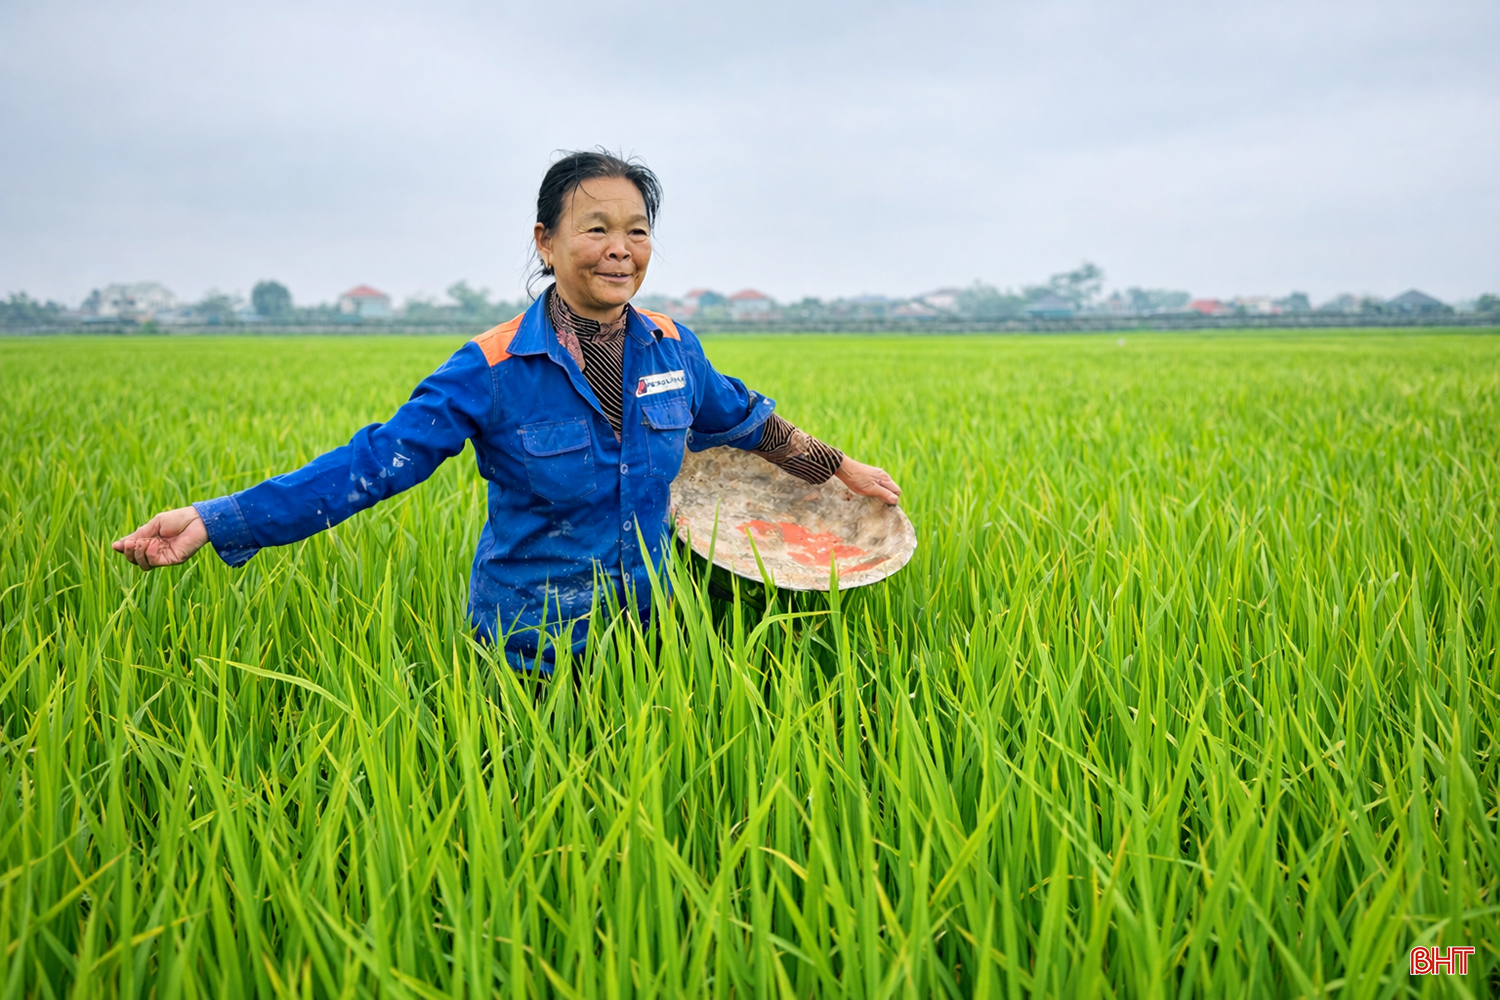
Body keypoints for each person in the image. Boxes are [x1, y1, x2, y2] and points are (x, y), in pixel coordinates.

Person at [114, 150, 901, 671]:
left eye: (637, 230)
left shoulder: (671, 348)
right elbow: (374, 464)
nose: (619, 247)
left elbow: (744, 420)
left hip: (647, 645)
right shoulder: (489, 368)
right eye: (595, 228)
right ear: (546, 242)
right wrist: (221, 519)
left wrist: (839, 469)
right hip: (530, 651)